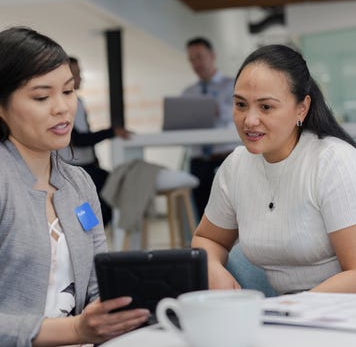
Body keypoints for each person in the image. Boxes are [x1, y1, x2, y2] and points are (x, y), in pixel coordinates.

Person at [0, 26, 149, 346]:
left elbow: (98, 283)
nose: (62, 108)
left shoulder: (78, 183)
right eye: (41, 96)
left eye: (68, 92)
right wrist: (75, 331)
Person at [192, 44, 356, 295]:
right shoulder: (237, 165)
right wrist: (213, 266)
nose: (249, 120)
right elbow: (209, 238)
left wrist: (294, 309)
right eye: (240, 105)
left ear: (302, 108)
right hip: (284, 313)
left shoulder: (334, 161)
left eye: (266, 107)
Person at [62, 56, 130, 227]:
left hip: (88, 166)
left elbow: (85, 138)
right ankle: (88, 234)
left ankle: (92, 235)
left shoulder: (78, 101)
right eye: (76, 74)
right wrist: (111, 132)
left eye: (79, 73)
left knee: (106, 196)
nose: (80, 78)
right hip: (72, 167)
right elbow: (77, 139)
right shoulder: (62, 104)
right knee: (85, 208)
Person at [183, 37, 236, 219]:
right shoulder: (188, 93)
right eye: (191, 59)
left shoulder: (233, 85)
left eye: (199, 57)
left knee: (232, 213)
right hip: (199, 161)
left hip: (227, 157)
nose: (196, 63)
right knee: (204, 215)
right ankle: (206, 248)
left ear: (212, 56)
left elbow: (243, 113)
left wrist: (218, 109)